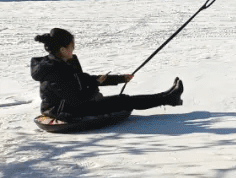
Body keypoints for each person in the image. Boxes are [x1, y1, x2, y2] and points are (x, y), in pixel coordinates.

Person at [30, 28, 184, 119]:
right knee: (124, 101)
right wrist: (95, 86)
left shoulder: (64, 62)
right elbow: (76, 100)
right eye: (72, 46)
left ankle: (169, 96)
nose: (74, 48)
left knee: (121, 100)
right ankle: (170, 98)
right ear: (63, 50)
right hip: (64, 111)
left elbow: (83, 80)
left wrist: (119, 79)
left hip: (72, 104)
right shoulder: (55, 72)